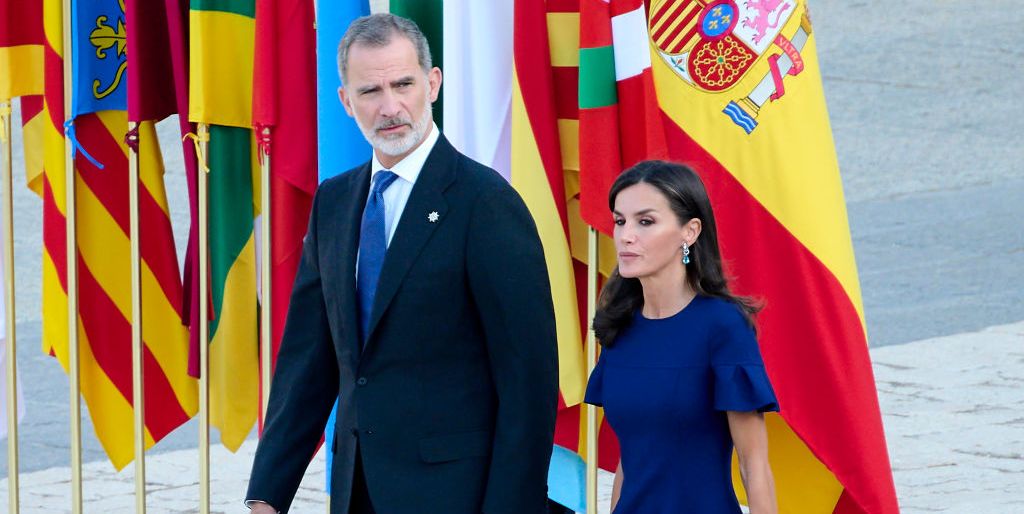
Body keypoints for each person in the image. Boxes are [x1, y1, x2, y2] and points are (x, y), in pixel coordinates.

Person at [245, 13, 558, 514]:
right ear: (346, 102)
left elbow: (529, 380)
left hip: (458, 495)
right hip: (357, 492)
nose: (390, 107)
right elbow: (308, 359)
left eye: (403, 84)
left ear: (432, 84)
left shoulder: (485, 203)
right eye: (370, 91)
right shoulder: (334, 201)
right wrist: (266, 494)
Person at [585, 160, 779, 513]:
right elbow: (629, 464)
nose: (626, 235)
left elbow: (754, 467)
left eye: (646, 222)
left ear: (689, 232)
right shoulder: (618, 327)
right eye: (619, 221)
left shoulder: (722, 326)